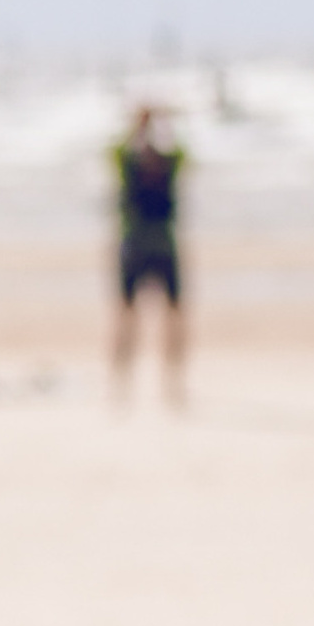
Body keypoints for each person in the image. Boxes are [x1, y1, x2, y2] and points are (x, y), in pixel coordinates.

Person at [111, 102, 187, 405]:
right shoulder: (129, 162)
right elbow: (116, 152)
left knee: (174, 314)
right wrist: (138, 127)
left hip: (162, 242)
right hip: (136, 243)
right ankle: (121, 380)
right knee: (126, 314)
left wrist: (165, 125)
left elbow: (182, 153)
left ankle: (173, 381)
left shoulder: (169, 161)